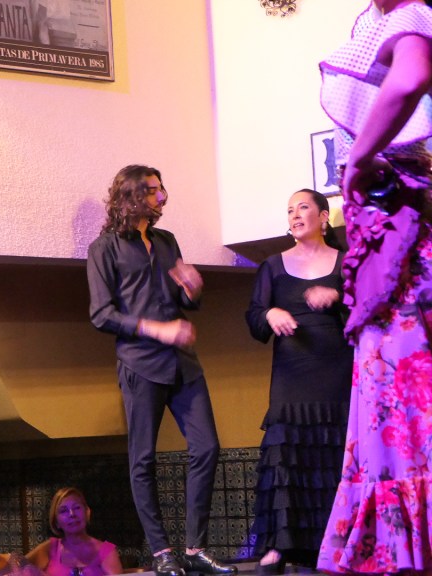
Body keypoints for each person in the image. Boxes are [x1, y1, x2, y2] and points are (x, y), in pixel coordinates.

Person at [315, 1, 432, 574]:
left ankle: (404, 550)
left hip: (404, 239)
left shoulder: (413, 12)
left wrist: (361, 155)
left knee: (403, 390)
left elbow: (411, 77)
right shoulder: (374, 19)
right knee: (387, 391)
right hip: (386, 230)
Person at [85, 165, 236, 576]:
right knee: (143, 460)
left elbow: (183, 301)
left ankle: (194, 548)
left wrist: (192, 289)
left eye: (161, 189)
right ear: (131, 195)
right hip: (140, 364)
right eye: (153, 190)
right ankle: (162, 552)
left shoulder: (167, 241)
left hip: (183, 362)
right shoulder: (104, 248)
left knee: (207, 447)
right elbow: (101, 314)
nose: (163, 196)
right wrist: (156, 329)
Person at [244, 189, 352, 573]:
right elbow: (254, 317)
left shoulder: (346, 262)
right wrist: (270, 314)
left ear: (323, 217)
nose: (295, 214)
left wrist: (336, 296)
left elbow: (366, 311)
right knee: (286, 455)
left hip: (337, 373)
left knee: (335, 455)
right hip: (292, 375)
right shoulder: (272, 266)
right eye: (289, 210)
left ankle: (336, 543)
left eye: (303, 207)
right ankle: (278, 547)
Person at [26, 487, 121, 576]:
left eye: (77, 508)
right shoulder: (50, 548)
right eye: (63, 511)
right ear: (56, 522)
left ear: (87, 513)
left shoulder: (107, 551)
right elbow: (19, 565)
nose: (72, 514)